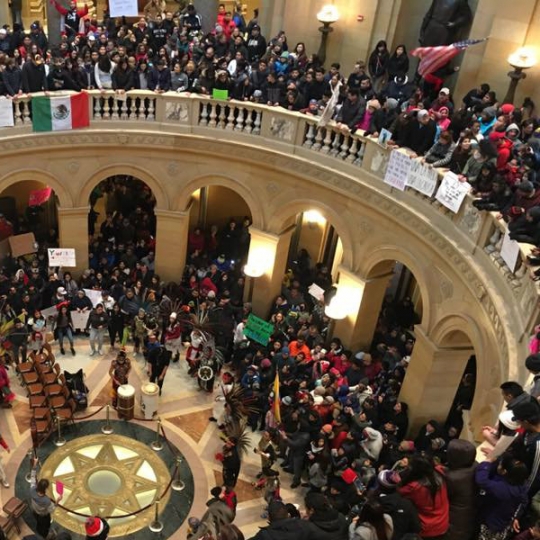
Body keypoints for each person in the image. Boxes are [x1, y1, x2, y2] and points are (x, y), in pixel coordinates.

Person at [475, 455, 529, 540]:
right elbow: (524, 501)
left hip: (491, 524)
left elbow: (481, 480)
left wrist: (486, 463)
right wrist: (516, 517)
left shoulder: (501, 488)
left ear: (505, 472)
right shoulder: (522, 486)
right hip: (505, 521)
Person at [398, 455, 449, 539]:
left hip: (428, 529)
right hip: (443, 523)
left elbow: (398, 491)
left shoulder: (415, 487)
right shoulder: (440, 473)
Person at [30, 457, 61, 539]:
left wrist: (34, 465)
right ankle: (46, 535)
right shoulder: (46, 501)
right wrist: (57, 501)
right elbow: (52, 509)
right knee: (45, 527)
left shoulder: (32, 489)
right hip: (43, 516)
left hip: (34, 511)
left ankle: (39, 529)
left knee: (38, 522)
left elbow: (32, 477)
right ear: (46, 489)